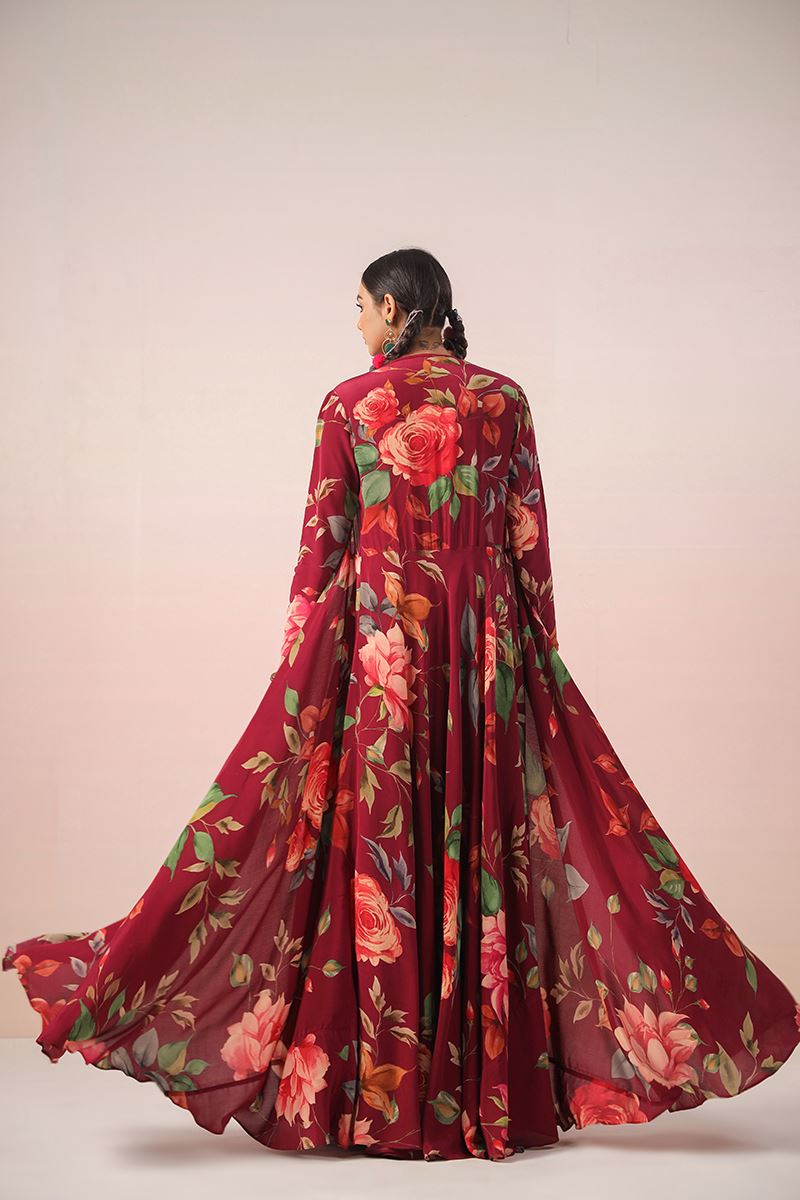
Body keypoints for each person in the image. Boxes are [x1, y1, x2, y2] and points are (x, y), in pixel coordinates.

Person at [4, 247, 799, 1163]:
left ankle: (385, 1098)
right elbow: (529, 544)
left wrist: (301, 663)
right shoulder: (504, 401)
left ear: (393, 307)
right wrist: (529, 651)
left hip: (380, 649)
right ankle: (482, 1090)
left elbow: (322, 548)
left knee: (377, 850)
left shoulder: (347, 405)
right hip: (485, 652)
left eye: (358, 306)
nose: (355, 322)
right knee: (489, 839)